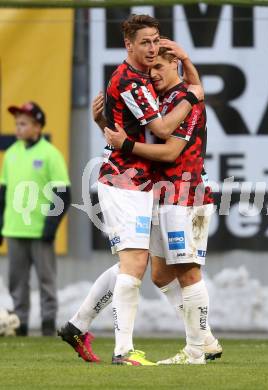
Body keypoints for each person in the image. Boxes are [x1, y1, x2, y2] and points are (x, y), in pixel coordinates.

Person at [58, 14, 203, 365]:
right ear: (128, 45)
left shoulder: (141, 78)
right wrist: (192, 96)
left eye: (156, 40)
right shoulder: (132, 82)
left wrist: (186, 65)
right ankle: (123, 350)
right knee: (135, 262)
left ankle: (77, 325)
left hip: (143, 182)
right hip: (125, 182)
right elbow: (165, 130)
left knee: (132, 261)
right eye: (145, 42)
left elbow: (125, 130)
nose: (153, 48)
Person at [105, 44, 220, 365]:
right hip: (162, 195)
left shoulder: (188, 103)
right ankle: (205, 338)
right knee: (159, 274)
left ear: (176, 68)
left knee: (188, 271)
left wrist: (126, 145)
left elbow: (170, 153)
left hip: (186, 195)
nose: (152, 74)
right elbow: (194, 88)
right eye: (151, 68)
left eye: (160, 67)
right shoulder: (167, 100)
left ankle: (197, 350)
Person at [0, 101, 71, 336]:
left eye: (23, 124)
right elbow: (2, 194)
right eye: (17, 124)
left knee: (46, 282)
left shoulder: (50, 155)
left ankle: (48, 326)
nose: (18, 128)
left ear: (37, 127)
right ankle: (19, 326)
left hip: (40, 231)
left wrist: (49, 228)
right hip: (14, 230)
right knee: (17, 284)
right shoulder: (10, 154)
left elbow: (63, 194)